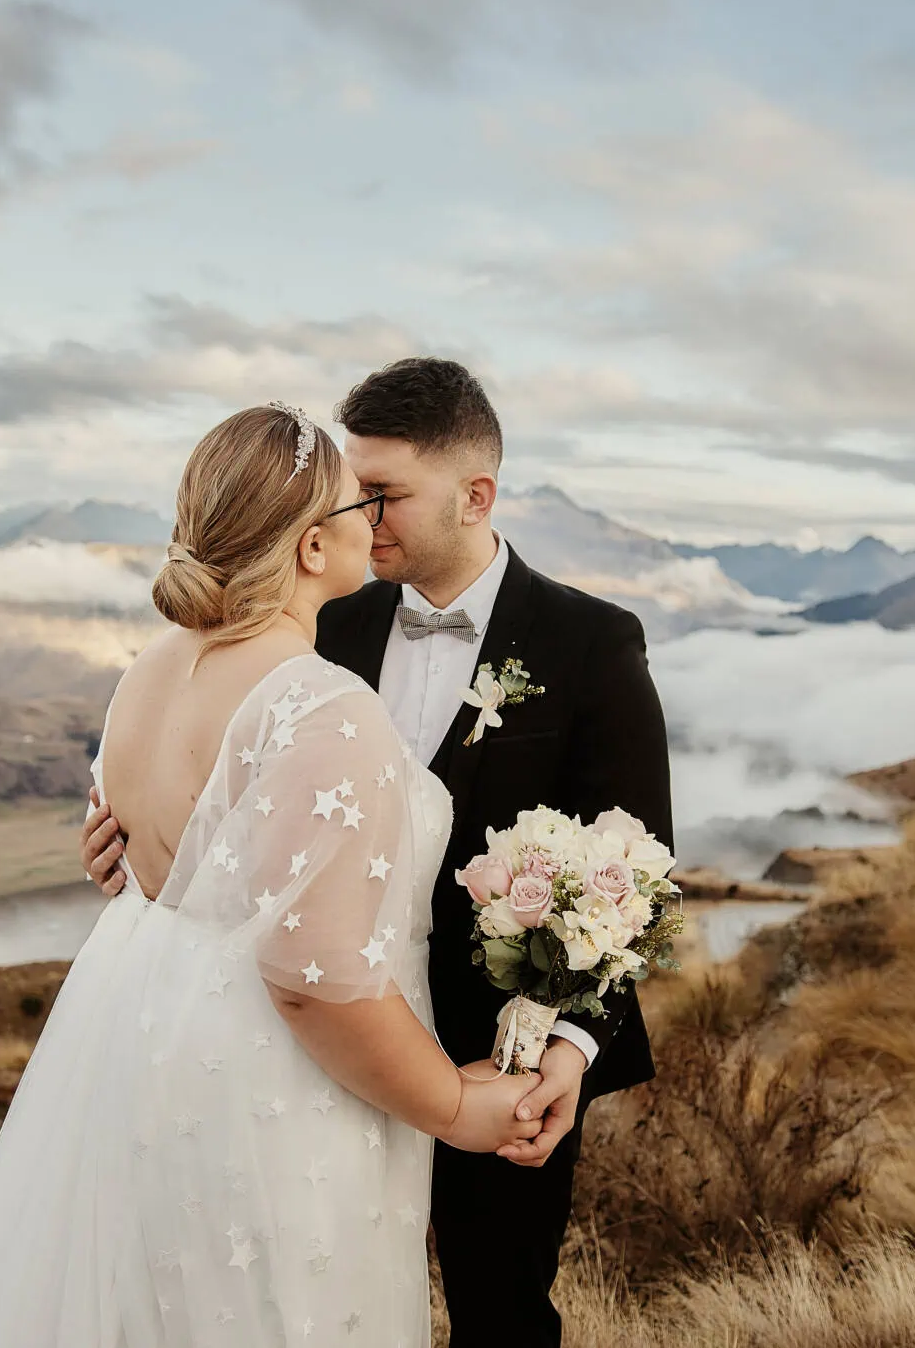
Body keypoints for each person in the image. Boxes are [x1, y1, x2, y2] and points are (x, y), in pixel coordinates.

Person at [0, 403, 542, 1348]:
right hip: (277, 1093)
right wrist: (454, 1107)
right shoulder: (322, 704)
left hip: (150, 1053)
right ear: (311, 545)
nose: (371, 519)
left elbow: (172, 869)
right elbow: (312, 979)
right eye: (356, 504)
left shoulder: (149, 670)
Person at [86, 359, 674, 1347]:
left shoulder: (591, 643)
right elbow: (220, 781)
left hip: (500, 1053)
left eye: (383, 492)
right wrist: (140, 845)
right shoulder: (323, 614)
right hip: (304, 1057)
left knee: (501, 1317)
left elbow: (635, 869)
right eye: (351, 490)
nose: (360, 513)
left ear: (474, 495)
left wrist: (572, 1047)